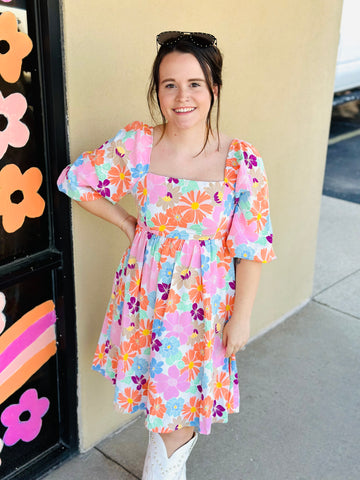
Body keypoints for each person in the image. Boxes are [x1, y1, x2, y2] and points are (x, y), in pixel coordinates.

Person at [57, 31, 275, 480]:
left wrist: (242, 316)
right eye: (168, 84)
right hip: (144, 296)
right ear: (157, 90)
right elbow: (76, 181)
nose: (182, 96)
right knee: (163, 404)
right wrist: (126, 223)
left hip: (202, 307)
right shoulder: (138, 145)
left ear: (214, 89)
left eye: (195, 83)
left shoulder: (241, 160)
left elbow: (252, 247)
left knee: (177, 409)